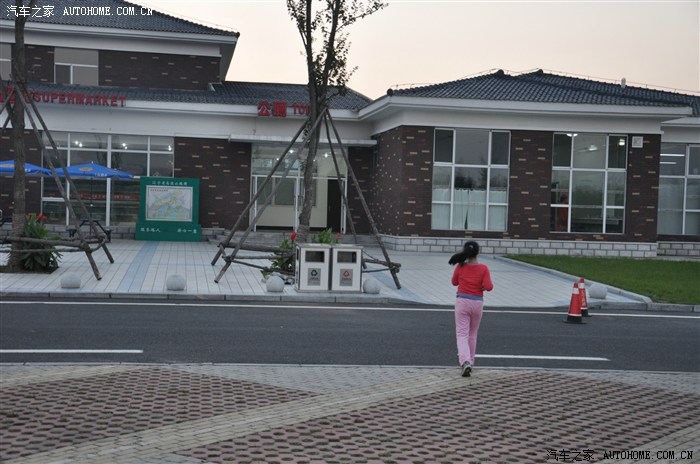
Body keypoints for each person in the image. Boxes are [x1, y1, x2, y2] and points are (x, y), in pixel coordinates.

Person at [448, 241, 493, 377]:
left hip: (462, 301)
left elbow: (454, 282)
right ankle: (471, 362)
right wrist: (482, 285)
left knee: (462, 334)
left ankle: (465, 361)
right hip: (477, 302)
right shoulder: (483, 268)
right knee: (472, 334)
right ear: (478, 252)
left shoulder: (460, 266)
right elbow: (489, 287)